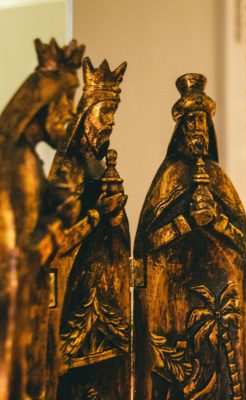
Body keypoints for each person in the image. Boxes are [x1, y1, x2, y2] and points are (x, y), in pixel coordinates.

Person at [134, 73, 246, 399]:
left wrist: (216, 221)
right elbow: (147, 247)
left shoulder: (219, 180)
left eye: (202, 122)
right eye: (191, 123)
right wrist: (186, 222)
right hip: (171, 299)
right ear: (181, 130)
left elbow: (242, 247)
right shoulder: (168, 179)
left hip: (216, 297)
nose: (198, 129)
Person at [0, 38, 84, 400]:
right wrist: (57, 223)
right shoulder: (13, 163)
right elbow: (15, 265)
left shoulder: (28, 162)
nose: (70, 113)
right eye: (65, 100)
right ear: (42, 101)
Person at [47, 57, 131, 400]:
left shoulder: (97, 165)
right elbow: (55, 242)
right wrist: (98, 215)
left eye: (114, 112)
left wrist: (116, 219)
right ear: (85, 114)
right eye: (104, 112)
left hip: (102, 291)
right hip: (72, 296)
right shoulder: (68, 169)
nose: (111, 121)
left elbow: (114, 239)